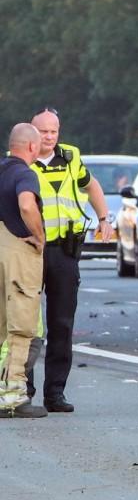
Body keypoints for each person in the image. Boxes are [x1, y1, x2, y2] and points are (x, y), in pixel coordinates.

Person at [28, 108, 114, 413]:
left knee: (62, 324)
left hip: (64, 251)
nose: (49, 137)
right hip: (30, 251)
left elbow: (91, 186)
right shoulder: (20, 161)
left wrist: (104, 217)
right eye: (43, 132)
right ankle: (23, 389)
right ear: (31, 133)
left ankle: (55, 393)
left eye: (54, 131)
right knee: (26, 324)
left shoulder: (70, 158)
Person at [0, 124, 48, 418]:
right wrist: (39, 236)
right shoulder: (25, 174)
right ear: (31, 147)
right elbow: (27, 205)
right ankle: (13, 396)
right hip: (18, 250)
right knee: (22, 324)